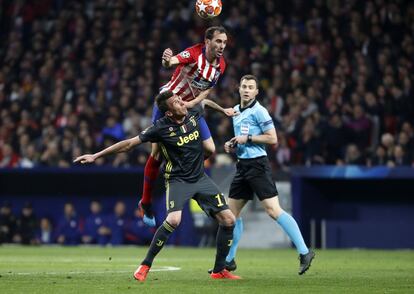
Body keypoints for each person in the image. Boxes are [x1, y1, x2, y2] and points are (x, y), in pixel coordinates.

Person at [74, 90, 241, 281]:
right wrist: (96, 155)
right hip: (178, 180)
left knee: (228, 219)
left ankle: (219, 271)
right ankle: (145, 265)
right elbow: (129, 144)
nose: (181, 102)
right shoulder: (160, 128)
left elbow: (205, 103)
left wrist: (223, 110)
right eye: (177, 102)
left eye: (180, 99)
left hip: (200, 178)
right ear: (169, 112)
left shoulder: (192, 112)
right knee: (174, 220)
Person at [139, 26, 234, 226]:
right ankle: (146, 202)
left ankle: (187, 175)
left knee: (209, 148)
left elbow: (206, 90)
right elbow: (171, 62)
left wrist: (192, 104)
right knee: (156, 154)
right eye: (218, 41)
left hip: (190, 108)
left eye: (224, 42)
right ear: (207, 42)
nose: (222, 46)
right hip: (168, 103)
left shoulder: (221, 65)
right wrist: (166, 58)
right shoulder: (193, 53)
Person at [223, 75, 315, 275]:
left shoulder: (260, 111)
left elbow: (272, 138)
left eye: (251, 87)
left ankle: (305, 251)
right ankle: (228, 261)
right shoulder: (236, 110)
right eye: (244, 86)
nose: (247, 90)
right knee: (230, 216)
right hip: (242, 167)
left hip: (258, 166)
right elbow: (242, 139)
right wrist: (232, 144)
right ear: (239, 89)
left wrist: (247, 138)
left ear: (257, 92)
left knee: (273, 211)